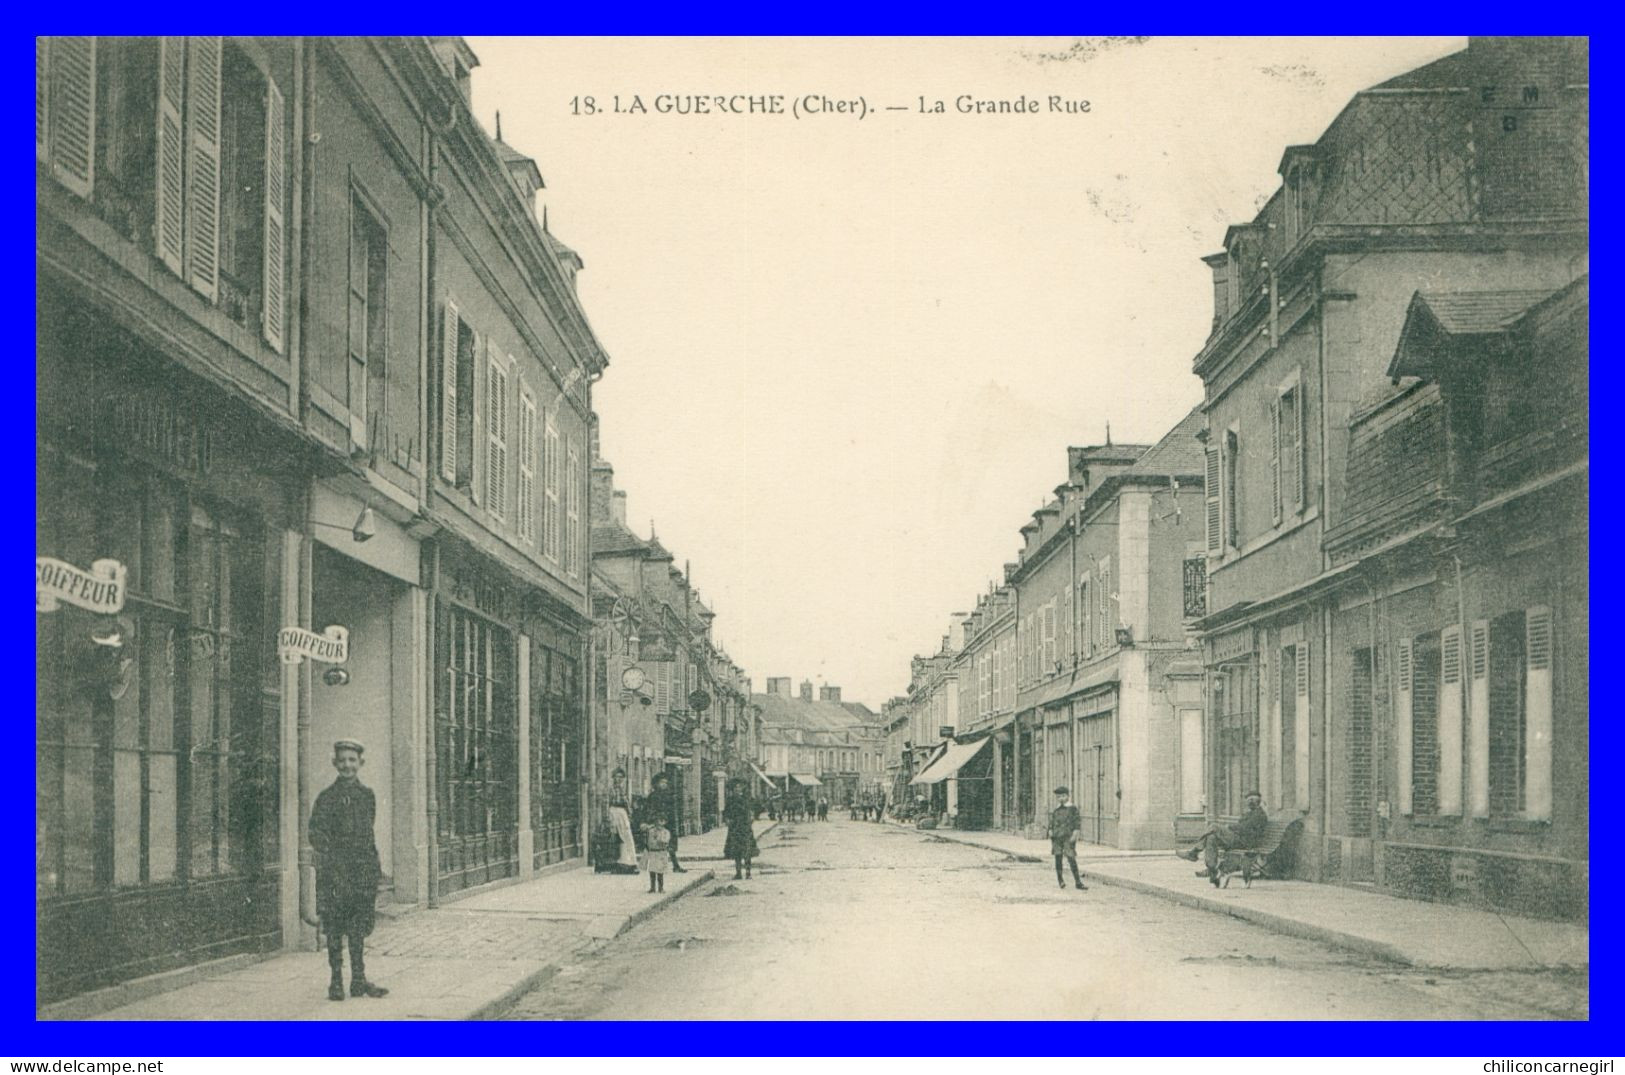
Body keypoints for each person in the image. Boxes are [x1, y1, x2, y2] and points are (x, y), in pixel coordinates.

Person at [309, 739, 390, 1001]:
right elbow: (316, 834)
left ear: (360, 764)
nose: (347, 765)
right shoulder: (326, 798)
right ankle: (335, 981)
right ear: (335, 763)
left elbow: (368, 833)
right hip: (335, 872)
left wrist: (373, 870)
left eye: (352, 760)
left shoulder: (367, 795)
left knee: (358, 927)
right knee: (334, 926)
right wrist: (332, 856)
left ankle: (358, 979)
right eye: (342, 760)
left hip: (361, 872)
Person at [1178, 790, 1269, 887]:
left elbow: (1244, 828)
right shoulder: (1249, 814)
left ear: (1258, 801)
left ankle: (1194, 852)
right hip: (1238, 839)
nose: (1250, 802)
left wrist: (1230, 827)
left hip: (1245, 842)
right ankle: (1212, 868)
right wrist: (1233, 828)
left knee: (1214, 827)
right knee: (1211, 838)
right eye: (1248, 800)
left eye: (1252, 799)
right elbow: (1241, 826)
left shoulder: (1259, 815)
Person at [643, 771, 687, 873]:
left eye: (665, 783)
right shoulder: (653, 796)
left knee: (670, 844)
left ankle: (675, 865)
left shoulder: (669, 795)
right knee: (656, 846)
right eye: (661, 782)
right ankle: (653, 867)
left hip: (669, 823)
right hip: (658, 823)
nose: (663, 784)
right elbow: (649, 809)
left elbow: (673, 810)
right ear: (657, 783)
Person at [1047, 785, 1087, 891]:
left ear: (1068, 796)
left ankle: (1078, 882)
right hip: (1056, 838)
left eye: (1063, 796)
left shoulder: (1073, 808)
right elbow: (1051, 822)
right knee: (1058, 858)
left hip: (1068, 838)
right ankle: (1060, 881)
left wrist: (1075, 834)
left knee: (1071, 858)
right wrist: (1050, 830)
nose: (1061, 799)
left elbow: (1077, 822)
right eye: (1059, 797)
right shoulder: (1056, 810)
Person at [723, 778, 759, 880]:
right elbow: (726, 812)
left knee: (747, 850)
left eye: (739, 787)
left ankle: (748, 872)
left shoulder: (746, 799)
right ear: (733, 789)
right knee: (736, 851)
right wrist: (727, 820)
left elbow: (753, 809)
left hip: (745, 827)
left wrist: (752, 817)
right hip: (734, 827)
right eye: (736, 787)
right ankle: (738, 873)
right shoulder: (730, 800)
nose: (738, 789)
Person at [607, 768, 640, 875]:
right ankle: (618, 862)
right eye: (617, 777)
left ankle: (629, 862)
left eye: (621, 777)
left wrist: (630, 813)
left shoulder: (623, 789)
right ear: (613, 778)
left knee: (627, 837)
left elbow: (627, 803)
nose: (619, 779)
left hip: (623, 814)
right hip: (614, 812)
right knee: (616, 837)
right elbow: (608, 802)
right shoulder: (611, 789)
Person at [642, 816, 670, 894]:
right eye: (657, 821)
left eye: (661, 821)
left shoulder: (666, 832)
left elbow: (665, 841)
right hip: (653, 852)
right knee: (652, 871)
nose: (659, 824)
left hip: (661, 852)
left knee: (660, 871)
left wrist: (658, 839)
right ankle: (652, 887)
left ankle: (661, 888)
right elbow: (649, 841)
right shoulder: (651, 831)